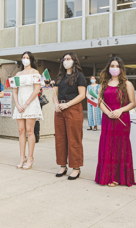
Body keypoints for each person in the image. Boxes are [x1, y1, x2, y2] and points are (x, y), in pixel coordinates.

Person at [95, 57, 136, 187]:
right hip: (107, 118)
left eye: (117, 66)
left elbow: (133, 103)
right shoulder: (103, 84)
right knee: (107, 145)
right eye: (112, 66)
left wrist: (120, 110)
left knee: (120, 146)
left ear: (121, 68)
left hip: (121, 118)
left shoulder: (127, 84)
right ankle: (107, 176)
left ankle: (118, 177)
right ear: (108, 68)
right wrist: (107, 113)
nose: (114, 68)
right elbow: (100, 102)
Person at [53, 52, 86, 180]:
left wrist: (68, 104)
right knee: (60, 139)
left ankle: (76, 167)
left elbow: (82, 95)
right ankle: (62, 165)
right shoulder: (60, 76)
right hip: (59, 109)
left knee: (74, 139)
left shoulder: (79, 76)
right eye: (64, 59)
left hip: (73, 108)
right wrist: (56, 104)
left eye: (69, 59)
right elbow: (54, 94)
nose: (66, 61)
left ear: (74, 61)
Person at [12, 52, 43, 169]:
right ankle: (22, 157)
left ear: (31, 60)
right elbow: (15, 91)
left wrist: (25, 104)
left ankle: (30, 157)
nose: (25, 59)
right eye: (24, 57)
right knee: (21, 131)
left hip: (30, 104)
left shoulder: (35, 73)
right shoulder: (18, 74)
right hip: (19, 105)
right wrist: (18, 104)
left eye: (28, 58)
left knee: (30, 131)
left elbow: (36, 90)